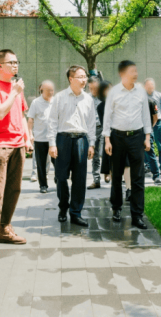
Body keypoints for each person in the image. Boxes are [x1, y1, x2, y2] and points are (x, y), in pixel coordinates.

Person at [0, 49, 32, 255]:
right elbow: (0, 113)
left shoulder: (16, 88)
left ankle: (5, 228)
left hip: (18, 144)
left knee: (14, 189)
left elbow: (21, 115)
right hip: (0, 144)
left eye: (17, 62)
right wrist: (14, 93)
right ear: (0, 65)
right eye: (11, 62)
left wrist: (27, 139)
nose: (15, 65)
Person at [103, 60, 152, 230]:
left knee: (138, 177)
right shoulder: (114, 92)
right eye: (132, 71)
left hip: (137, 137)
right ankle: (116, 208)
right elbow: (107, 116)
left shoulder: (141, 92)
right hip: (117, 138)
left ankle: (137, 215)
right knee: (116, 175)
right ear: (122, 74)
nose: (136, 74)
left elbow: (146, 115)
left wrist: (147, 137)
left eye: (136, 71)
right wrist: (107, 140)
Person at [48, 66, 97, 226]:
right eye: (80, 77)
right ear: (71, 79)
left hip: (81, 140)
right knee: (61, 177)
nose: (84, 80)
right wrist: (52, 144)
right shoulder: (59, 97)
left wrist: (92, 144)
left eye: (85, 77)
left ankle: (76, 213)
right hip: (63, 139)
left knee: (80, 178)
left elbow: (91, 124)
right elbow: (52, 122)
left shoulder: (88, 99)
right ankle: (63, 207)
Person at [28, 81, 56, 193]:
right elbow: (30, 119)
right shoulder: (36, 102)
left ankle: (58, 178)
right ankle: (43, 185)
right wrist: (30, 134)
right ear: (42, 90)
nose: (51, 92)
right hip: (40, 138)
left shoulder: (56, 101)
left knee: (58, 162)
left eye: (52, 90)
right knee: (41, 164)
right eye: (48, 90)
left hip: (54, 138)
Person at [144, 78, 161, 175]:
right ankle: (148, 166)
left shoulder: (160, 96)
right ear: (145, 86)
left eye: (152, 84)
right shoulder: (142, 96)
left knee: (160, 145)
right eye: (148, 84)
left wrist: (157, 119)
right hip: (146, 124)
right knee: (146, 145)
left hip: (157, 123)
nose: (150, 86)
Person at [87, 77, 104, 189]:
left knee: (106, 153)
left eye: (95, 88)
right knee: (95, 155)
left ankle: (108, 174)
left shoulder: (104, 97)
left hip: (104, 128)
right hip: (92, 129)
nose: (93, 90)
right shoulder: (86, 99)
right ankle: (96, 180)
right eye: (91, 88)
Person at [97, 81, 113, 183]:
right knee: (107, 152)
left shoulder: (117, 102)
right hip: (108, 132)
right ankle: (107, 172)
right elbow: (103, 122)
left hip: (119, 131)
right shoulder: (100, 106)